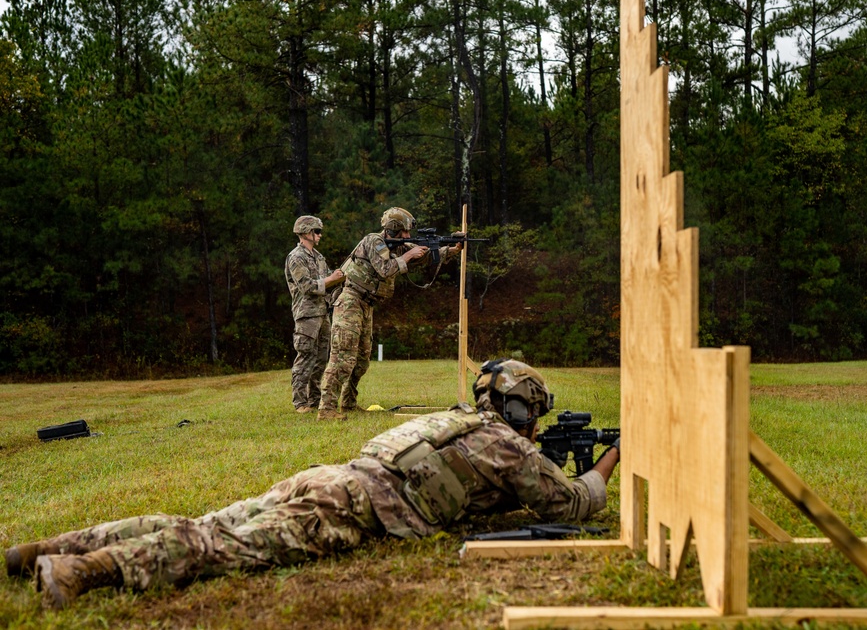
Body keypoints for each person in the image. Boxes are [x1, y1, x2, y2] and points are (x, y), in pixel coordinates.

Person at [6, 360, 621, 611]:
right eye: (531, 416)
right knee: (218, 549)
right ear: (520, 412)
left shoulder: (454, 418)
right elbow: (575, 502)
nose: (532, 426)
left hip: (328, 477)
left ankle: (46, 547)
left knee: (206, 524)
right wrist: (611, 458)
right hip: (354, 508)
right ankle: (81, 572)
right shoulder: (510, 447)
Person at [317, 207, 462, 420]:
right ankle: (327, 409)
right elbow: (385, 269)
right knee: (343, 355)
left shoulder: (398, 246)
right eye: (403, 231)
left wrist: (452, 248)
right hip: (350, 300)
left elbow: (424, 257)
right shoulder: (373, 241)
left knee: (362, 359)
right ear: (392, 228)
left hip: (366, 304)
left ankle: (348, 403)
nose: (407, 236)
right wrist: (410, 254)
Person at [284, 215, 344, 413]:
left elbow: (329, 282)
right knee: (305, 357)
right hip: (306, 315)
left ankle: (314, 400)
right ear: (306, 233)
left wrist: (338, 279)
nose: (320, 235)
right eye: (317, 231)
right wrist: (331, 279)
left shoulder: (318, 257)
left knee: (321, 359)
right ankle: (300, 403)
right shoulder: (296, 257)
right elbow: (306, 287)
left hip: (322, 313)